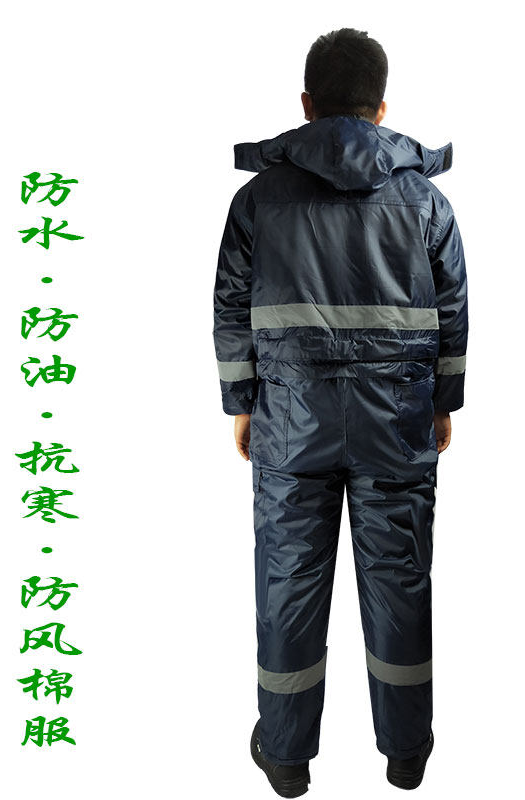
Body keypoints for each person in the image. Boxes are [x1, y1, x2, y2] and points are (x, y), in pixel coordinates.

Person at [213, 27, 468, 797]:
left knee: (288, 581)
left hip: (291, 422)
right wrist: (443, 402)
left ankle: (287, 757)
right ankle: (407, 752)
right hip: (397, 420)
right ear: (381, 109)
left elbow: (230, 305)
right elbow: (452, 307)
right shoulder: (426, 202)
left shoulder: (257, 201)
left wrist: (241, 404)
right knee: (399, 580)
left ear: (307, 104)